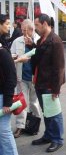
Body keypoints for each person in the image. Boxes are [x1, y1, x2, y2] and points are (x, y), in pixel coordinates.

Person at [30, 14, 65, 153]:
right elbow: (39, 56)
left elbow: (59, 67)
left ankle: (57, 139)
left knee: (54, 113)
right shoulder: (41, 40)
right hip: (40, 81)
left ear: (45, 24)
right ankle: (48, 135)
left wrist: (56, 89)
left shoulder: (55, 41)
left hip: (50, 85)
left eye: (37, 25)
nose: (35, 28)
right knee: (47, 112)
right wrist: (31, 45)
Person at [10, 19, 41, 138]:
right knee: (21, 103)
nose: (23, 33)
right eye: (22, 30)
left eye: (25, 31)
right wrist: (15, 57)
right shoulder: (17, 41)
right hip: (21, 77)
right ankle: (20, 126)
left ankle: (34, 125)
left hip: (34, 78)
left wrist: (32, 43)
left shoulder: (39, 40)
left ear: (31, 30)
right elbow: (11, 57)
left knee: (34, 102)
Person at [0, 14, 18, 155]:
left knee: (4, 130)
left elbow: (11, 77)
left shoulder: (3, 50)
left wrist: (7, 101)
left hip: (2, 98)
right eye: (6, 23)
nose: (9, 26)